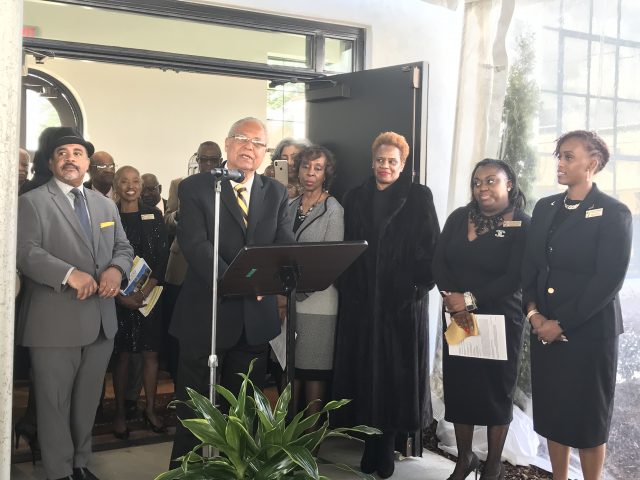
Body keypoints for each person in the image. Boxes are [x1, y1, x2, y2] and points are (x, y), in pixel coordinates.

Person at [168, 117, 294, 465]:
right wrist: (240, 281)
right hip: (206, 315)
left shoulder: (276, 192)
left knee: (243, 409)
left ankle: (234, 469)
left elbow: (282, 244)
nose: (249, 147)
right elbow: (195, 245)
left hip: (254, 319)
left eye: (258, 143)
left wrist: (266, 280)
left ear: (265, 152)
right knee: (194, 408)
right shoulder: (197, 187)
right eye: (241, 138)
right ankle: (188, 471)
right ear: (227, 144)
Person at [16, 127, 133, 480]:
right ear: (52, 163)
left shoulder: (105, 204)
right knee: (54, 403)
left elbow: (123, 247)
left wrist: (116, 269)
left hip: (100, 321)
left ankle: (80, 463)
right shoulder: (32, 202)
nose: (70, 159)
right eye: (62, 153)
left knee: (87, 402)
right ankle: (58, 471)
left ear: (87, 162)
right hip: (53, 322)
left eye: (77, 153)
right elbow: (25, 252)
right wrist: (69, 274)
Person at [522, 130, 632, 480]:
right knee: (554, 413)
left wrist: (561, 323)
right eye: (559, 155)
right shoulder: (545, 207)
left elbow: (608, 280)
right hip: (544, 328)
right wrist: (534, 315)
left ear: (592, 163)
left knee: (588, 419)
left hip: (589, 334)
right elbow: (531, 266)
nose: (560, 162)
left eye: (569, 156)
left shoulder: (614, 212)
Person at [332, 131, 440, 478]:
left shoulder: (419, 197)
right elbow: (346, 246)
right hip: (361, 303)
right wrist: (349, 287)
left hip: (401, 305)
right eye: (380, 160)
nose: (385, 166)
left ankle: (388, 445)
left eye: (392, 161)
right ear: (372, 161)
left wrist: (414, 289)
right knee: (364, 375)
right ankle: (370, 443)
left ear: (403, 164)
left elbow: (432, 248)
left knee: (396, 378)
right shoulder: (355, 197)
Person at [432, 159, 530, 480]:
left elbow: (514, 277)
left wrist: (469, 299)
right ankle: (465, 459)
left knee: (495, 391)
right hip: (459, 317)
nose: (482, 188)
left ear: (509, 184)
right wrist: (452, 299)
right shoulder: (459, 217)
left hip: (500, 319)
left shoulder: (522, 224)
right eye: (477, 182)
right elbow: (439, 261)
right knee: (461, 387)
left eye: (491, 181)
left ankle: (493, 465)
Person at [111, 166, 169, 439]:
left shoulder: (153, 215)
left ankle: (150, 410)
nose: (131, 186)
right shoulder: (108, 215)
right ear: (116, 185)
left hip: (150, 296)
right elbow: (103, 257)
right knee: (122, 356)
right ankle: (120, 414)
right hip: (118, 297)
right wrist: (121, 296)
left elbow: (162, 255)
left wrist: (145, 291)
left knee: (150, 354)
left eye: (135, 181)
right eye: (124, 181)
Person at [287, 145, 343, 415]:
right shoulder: (289, 206)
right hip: (288, 299)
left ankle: (311, 435)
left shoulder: (333, 209)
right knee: (291, 369)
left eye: (317, 168)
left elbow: (330, 261)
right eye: (306, 166)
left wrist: (297, 291)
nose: (310, 173)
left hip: (319, 300)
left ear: (325, 174)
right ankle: (286, 433)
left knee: (314, 370)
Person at [163, 141, 223, 383]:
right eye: (203, 159)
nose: (208, 164)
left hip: (213, 263)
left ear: (220, 160)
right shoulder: (181, 184)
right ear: (196, 160)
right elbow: (167, 219)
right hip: (182, 264)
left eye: (213, 160)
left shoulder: (227, 185)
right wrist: (180, 215)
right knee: (181, 328)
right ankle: (177, 378)